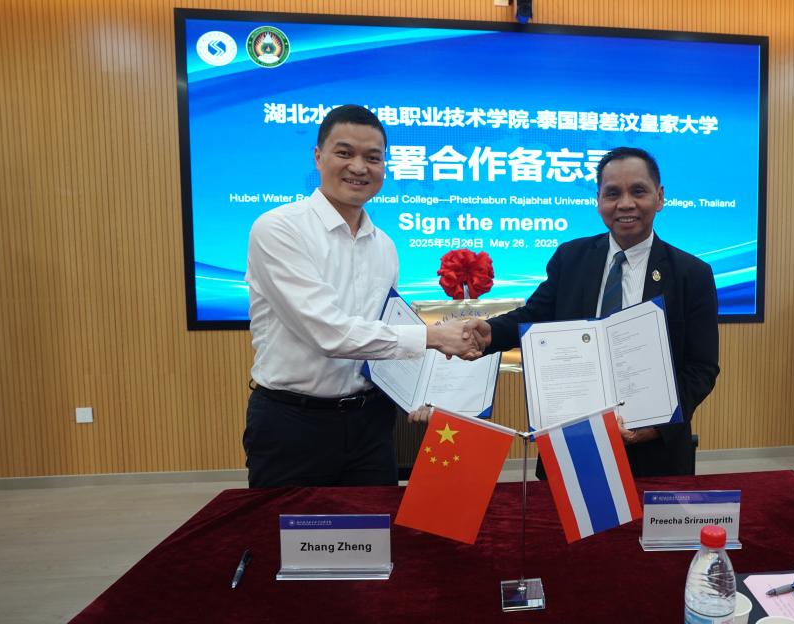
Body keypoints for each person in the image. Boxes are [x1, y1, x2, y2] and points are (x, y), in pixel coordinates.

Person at [244, 105, 481, 489]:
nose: (359, 167)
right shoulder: (278, 229)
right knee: (291, 528)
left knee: (374, 526)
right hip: (293, 423)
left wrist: (426, 389)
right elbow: (328, 333)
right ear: (318, 157)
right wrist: (435, 337)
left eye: (372, 158)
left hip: (370, 422)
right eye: (344, 153)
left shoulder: (384, 245)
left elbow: (383, 333)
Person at [466, 147, 719, 476]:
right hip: (573, 439)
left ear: (659, 197)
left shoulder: (692, 274)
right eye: (612, 193)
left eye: (638, 191)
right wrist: (490, 332)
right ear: (598, 200)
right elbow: (534, 317)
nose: (625, 204)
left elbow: (701, 369)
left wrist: (658, 426)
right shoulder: (571, 257)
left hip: (654, 453)